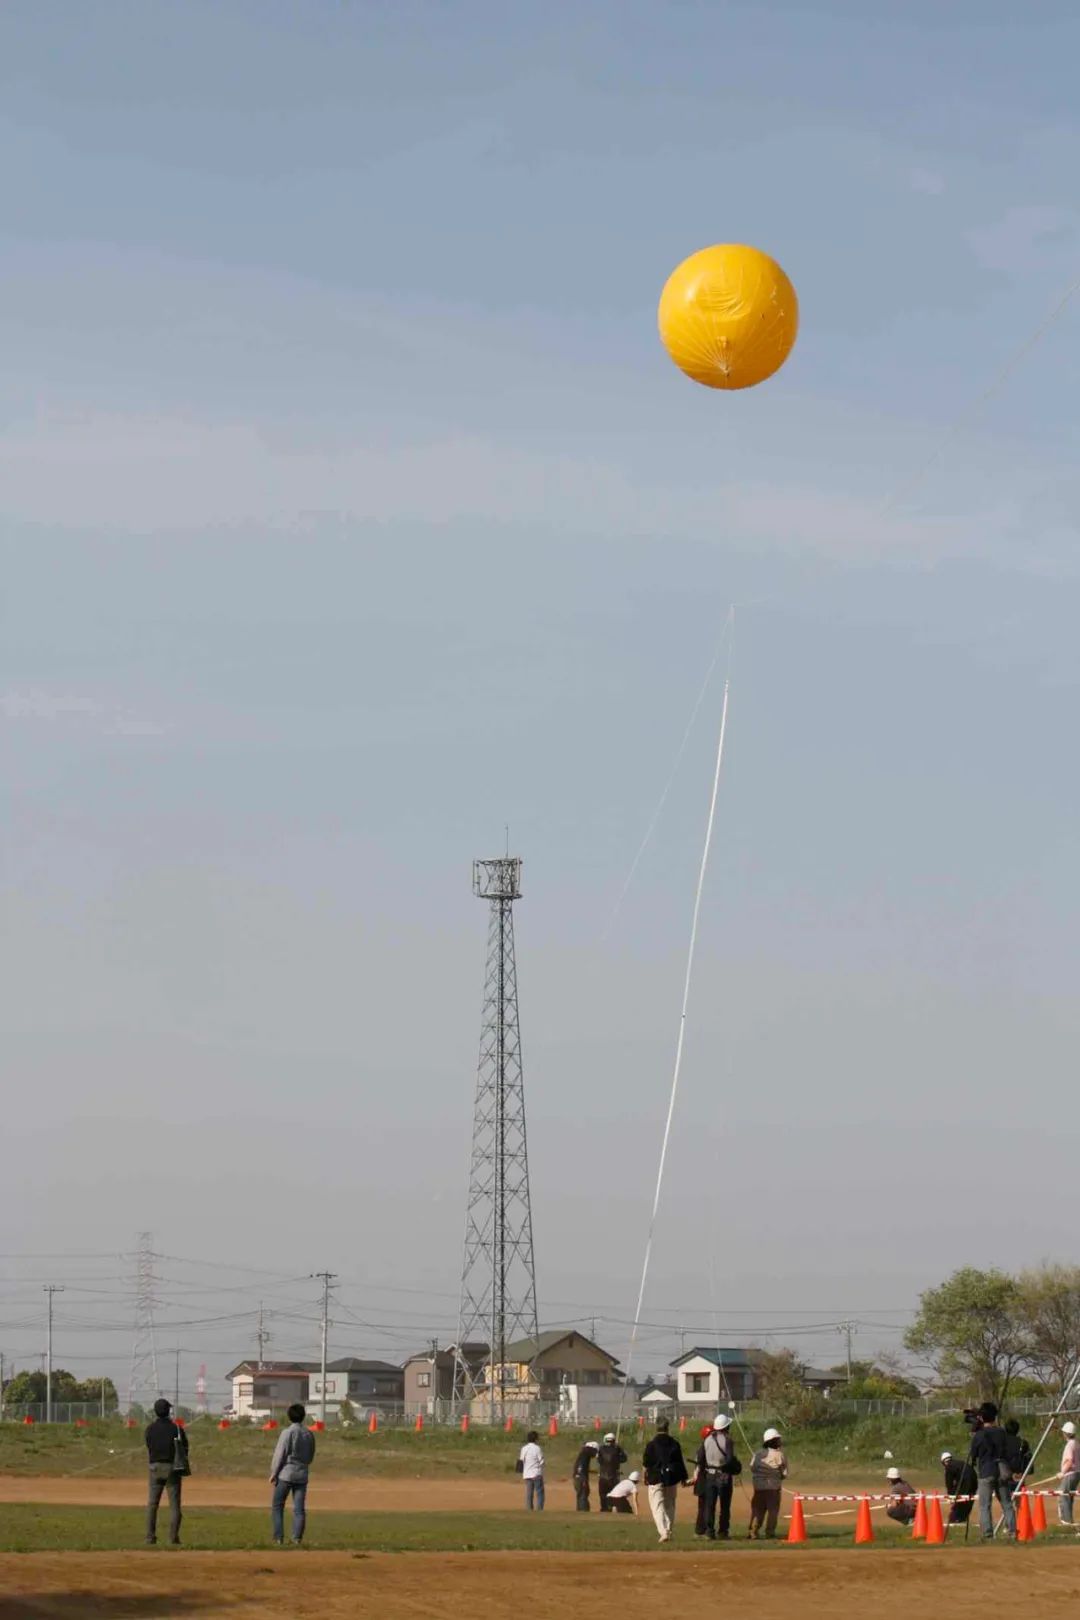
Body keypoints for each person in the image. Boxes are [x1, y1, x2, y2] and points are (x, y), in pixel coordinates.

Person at [144, 1397, 189, 1547]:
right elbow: (185, 1448)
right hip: (172, 1468)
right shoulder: (176, 1428)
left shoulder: (149, 1429)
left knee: (152, 1505)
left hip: (155, 1467)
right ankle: (173, 1538)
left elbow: (148, 1446)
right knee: (175, 1506)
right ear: (168, 1411)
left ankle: (150, 1538)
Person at [269, 1402, 316, 1545]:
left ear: (289, 1416)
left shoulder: (287, 1433)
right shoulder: (309, 1433)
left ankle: (278, 1538)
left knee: (277, 1506)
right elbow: (310, 1455)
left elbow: (280, 1454)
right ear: (303, 1417)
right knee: (299, 1509)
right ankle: (297, 1538)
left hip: (286, 1474)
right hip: (302, 1474)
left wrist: (273, 1473)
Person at [970, 1402, 1016, 1540]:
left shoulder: (979, 1435)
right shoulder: (1002, 1432)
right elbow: (1008, 1451)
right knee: (1007, 1504)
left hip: (986, 1471)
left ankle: (988, 1534)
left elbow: (974, 1454)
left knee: (985, 1505)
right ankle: (1012, 1532)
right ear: (994, 1417)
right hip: (1001, 1471)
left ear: (982, 1418)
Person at [641, 1417, 689, 1544]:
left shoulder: (651, 1445)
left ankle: (663, 1532)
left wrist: (644, 1476)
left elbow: (646, 1463)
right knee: (670, 1505)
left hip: (656, 1477)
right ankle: (668, 1530)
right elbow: (680, 1462)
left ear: (656, 1427)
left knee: (658, 1506)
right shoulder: (674, 1443)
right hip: (671, 1478)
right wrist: (684, 1477)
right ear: (668, 1428)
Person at [695, 1414, 740, 1541]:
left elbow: (700, 1458)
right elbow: (730, 1459)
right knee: (725, 1506)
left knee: (710, 1505)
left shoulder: (707, 1440)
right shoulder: (728, 1440)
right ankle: (723, 1531)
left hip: (710, 1475)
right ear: (726, 1427)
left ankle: (710, 1532)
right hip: (724, 1476)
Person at [748, 1428, 787, 1539]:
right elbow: (784, 1473)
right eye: (778, 1439)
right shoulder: (780, 1455)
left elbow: (752, 1468)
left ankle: (753, 1531)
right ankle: (770, 1532)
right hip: (773, 1489)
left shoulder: (758, 1454)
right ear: (773, 1441)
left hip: (759, 1488)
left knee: (758, 1511)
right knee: (772, 1512)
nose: (780, 1441)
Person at [941, 1450, 976, 1526]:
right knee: (969, 1498)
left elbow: (949, 1483)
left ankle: (956, 1517)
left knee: (960, 1497)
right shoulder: (960, 1463)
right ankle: (963, 1517)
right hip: (974, 1480)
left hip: (966, 1481)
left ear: (944, 1462)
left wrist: (951, 1495)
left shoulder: (949, 1466)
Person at [597, 1432, 628, 1514]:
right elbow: (624, 1458)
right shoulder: (617, 1449)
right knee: (613, 1494)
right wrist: (619, 1450)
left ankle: (604, 1509)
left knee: (603, 1495)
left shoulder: (601, 1449)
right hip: (613, 1477)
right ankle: (612, 1509)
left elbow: (599, 1460)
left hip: (603, 1477)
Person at [1058, 1420, 1080, 1527]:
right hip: (1076, 1473)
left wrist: (1062, 1472)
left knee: (1063, 1495)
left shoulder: (1069, 1445)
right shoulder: (1076, 1443)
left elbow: (1070, 1460)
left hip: (1070, 1474)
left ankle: (1066, 1521)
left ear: (1066, 1433)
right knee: (1069, 1496)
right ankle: (1069, 1519)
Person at [693, 1424, 713, 1536]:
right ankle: (701, 1529)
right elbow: (698, 1467)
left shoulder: (705, 1446)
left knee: (706, 1506)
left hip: (704, 1478)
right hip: (704, 1479)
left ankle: (703, 1529)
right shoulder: (704, 1447)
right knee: (704, 1506)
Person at [519, 1429, 545, 1511]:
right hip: (536, 1473)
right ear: (536, 1439)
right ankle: (539, 1509)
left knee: (529, 1493)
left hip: (527, 1474)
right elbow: (541, 1461)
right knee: (540, 1493)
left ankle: (529, 1509)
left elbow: (521, 1461)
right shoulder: (537, 1448)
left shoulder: (524, 1448)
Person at [572, 1439, 599, 1512]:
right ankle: (584, 1511)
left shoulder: (583, 1454)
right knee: (583, 1494)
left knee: (580, 1495)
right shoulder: (587, 1451)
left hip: (577, 1477)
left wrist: (594, 1472)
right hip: (581, 1478)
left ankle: (579, 1511)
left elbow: (582, 1467)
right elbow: (598, 1455)